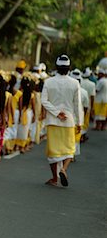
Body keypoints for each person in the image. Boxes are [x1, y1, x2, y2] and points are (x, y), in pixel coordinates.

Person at [41, 54, 83, 187]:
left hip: (53, 121)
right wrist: (79, 122)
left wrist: (56, 113)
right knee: (70, 149)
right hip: (69, 121)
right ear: (69, 68)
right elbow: (78, 105)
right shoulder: (75, 83)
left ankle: (54, 178)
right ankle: (64, 169)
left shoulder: (49, 81)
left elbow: (43, 101)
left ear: (56, 67)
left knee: (53, 151)